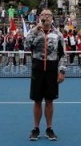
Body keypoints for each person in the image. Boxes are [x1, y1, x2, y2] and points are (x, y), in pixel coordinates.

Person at [24, 8, 66, 141]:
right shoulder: (33, 32)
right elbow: (26, 46)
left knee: (49, 101)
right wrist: (36, 29)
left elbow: (63, 54)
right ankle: (36, 129)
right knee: (37, 101)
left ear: (52, 18)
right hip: (37, 70)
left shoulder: (58, 34)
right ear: (39, 17)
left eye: (49, 15)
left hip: (52, 70)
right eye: (44, 15)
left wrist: (62, 71)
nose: (46, 17)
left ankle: (49, 128)